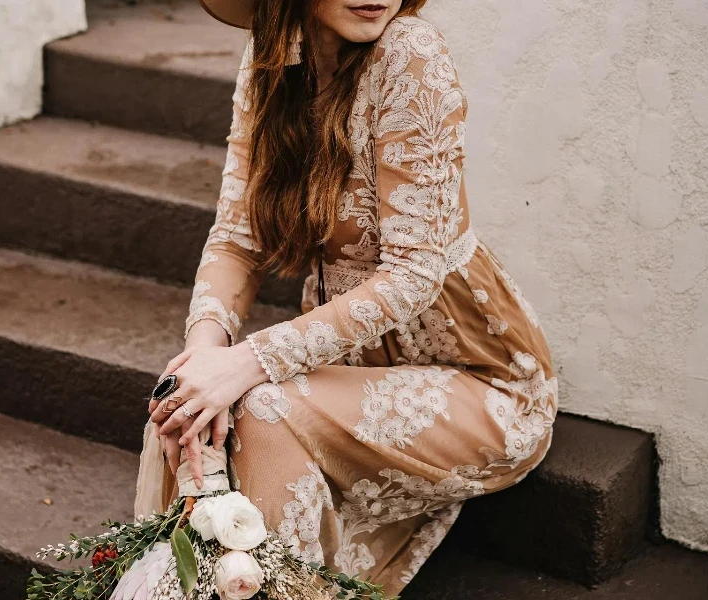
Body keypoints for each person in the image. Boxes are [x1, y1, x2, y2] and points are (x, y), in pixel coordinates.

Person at [136, 0, 558, 593]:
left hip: (476, 374)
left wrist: (249, 360)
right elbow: (237, 238)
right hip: (346, 360)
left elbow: (415, 274)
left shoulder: (410, 52)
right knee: (189, 401)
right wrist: (205, 354)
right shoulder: (270, 58)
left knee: (259, 406)